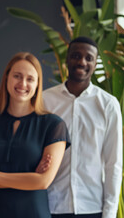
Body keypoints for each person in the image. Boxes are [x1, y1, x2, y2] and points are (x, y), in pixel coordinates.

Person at [0, 52, 69, 218]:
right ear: (6, 79)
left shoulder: (53, 125)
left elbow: (43, 181)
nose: (23, 83)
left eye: (30, 79)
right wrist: (29, 179)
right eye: (17, 76)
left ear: (38, 84)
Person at [43, 37, 122, 218]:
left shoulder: (108, 105)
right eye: (76, 56)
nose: (82, 62)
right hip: (51, 205)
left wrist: (109, 214)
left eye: (89, 58)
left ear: (95, 64)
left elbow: (113, 164)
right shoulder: (45, 101)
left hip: (92, 207)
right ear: (67, 60)